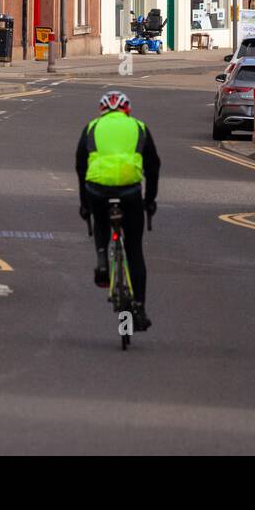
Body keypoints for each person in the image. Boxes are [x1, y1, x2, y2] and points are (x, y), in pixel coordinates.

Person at [76, 91, 161, 332]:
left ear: (102, 111)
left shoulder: (92, 127)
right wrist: (149, 201)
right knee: (134, 250)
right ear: (127, 110)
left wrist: (84, 205)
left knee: (102, 222)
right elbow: (153, 166)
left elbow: (80, 168)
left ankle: (102, 259)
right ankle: (140, 309)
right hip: (129, 192)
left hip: (98, 189)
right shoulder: (138, 127)